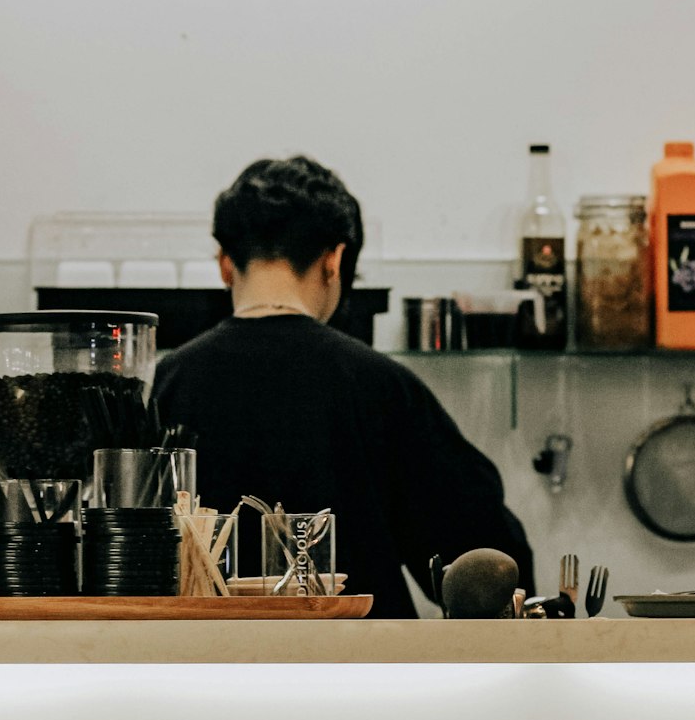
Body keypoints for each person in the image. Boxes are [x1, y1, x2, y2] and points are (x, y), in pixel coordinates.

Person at [155, 155, 534, 615]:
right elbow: (486, 559)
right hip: (365, 669)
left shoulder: (168, 383)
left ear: (225, 263)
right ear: (334, 260)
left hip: (197, 667)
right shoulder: (382, 385)